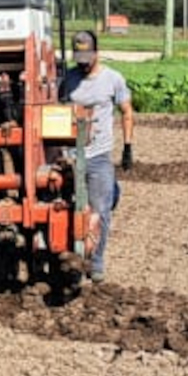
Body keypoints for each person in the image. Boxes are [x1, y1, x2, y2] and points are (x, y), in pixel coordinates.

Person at [63, 29, 134, 281]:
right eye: (78, 60)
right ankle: (72, 259)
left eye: (87, 60)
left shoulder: (113, 79)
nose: (82, 66)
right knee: (69, 209)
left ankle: (97, 262)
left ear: (96, 53)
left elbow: (126, 111)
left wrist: (127, 147)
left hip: (99, 155)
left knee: (101, 209)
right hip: (69, 156)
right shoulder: (67, 78)